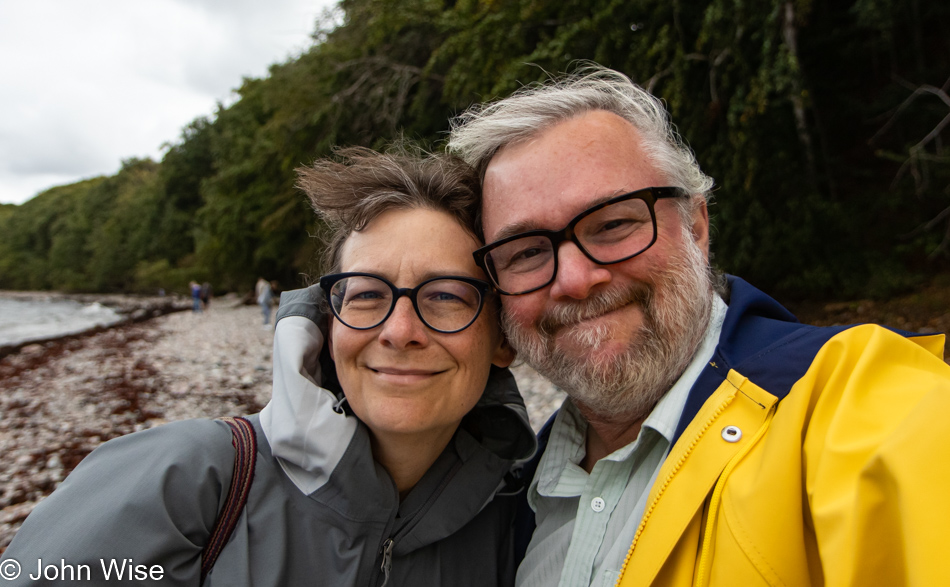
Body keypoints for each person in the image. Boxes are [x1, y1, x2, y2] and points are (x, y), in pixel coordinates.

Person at [446, 65, 950, 586]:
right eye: (526, 252)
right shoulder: (508, 502)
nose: (574, 280)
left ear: (696, 226)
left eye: (615, 223)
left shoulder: (855, 405)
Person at [2, 148, 536, 586]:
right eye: (368, 294)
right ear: (328, 325)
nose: (399, 331)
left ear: (502, 338)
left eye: (445, 295)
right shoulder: (185, 481)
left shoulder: (520, 518)